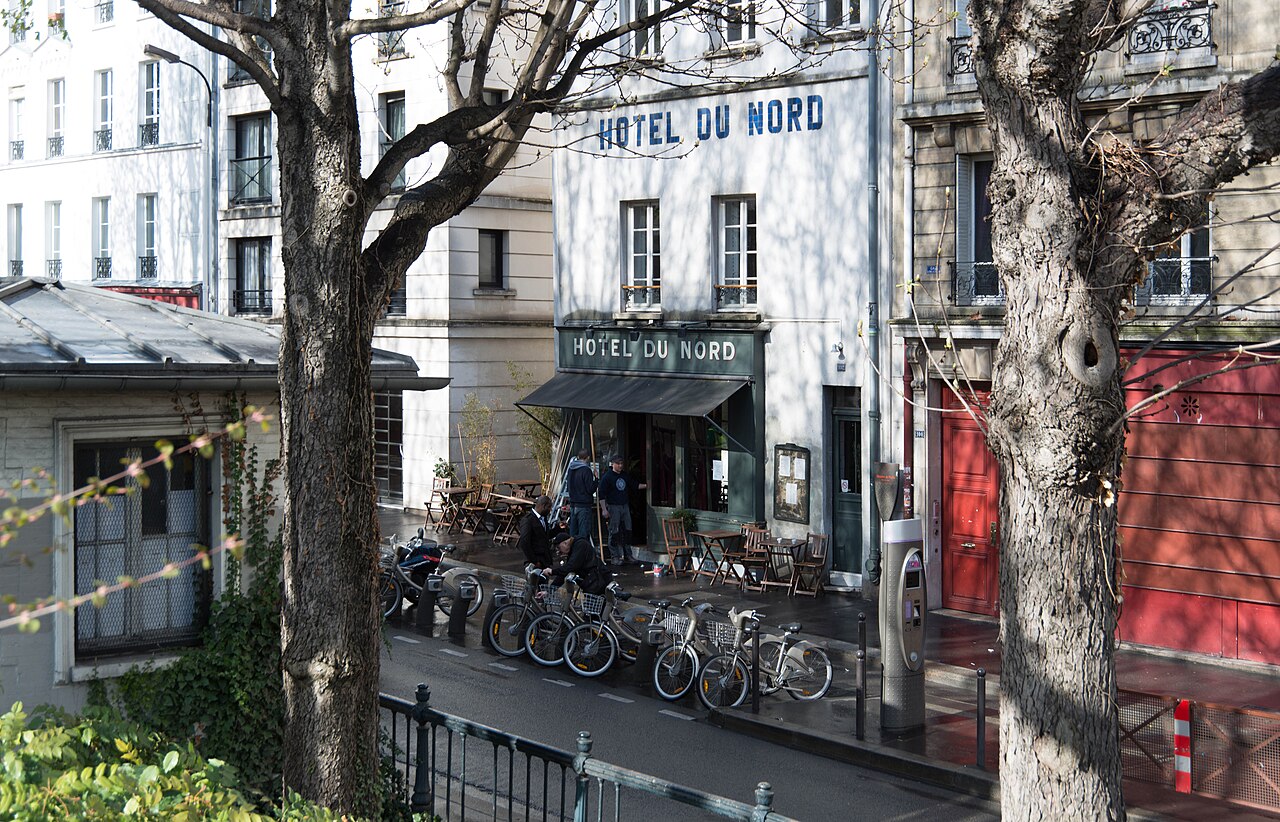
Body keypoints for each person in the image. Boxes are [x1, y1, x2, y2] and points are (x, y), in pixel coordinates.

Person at [598, 455, 646, 566]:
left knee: (628, 530)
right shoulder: (607, 477)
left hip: (624, 506)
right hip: (613, 506)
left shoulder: (624, 475)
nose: (620, 466)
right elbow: (601, 494)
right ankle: (615, 556)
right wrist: (604, 509)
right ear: (613, 464)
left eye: (621, 463)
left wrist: (648, 486)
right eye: (618, 463)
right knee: (614, 531)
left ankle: (628, 554)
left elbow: (634, 485)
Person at [544, 530, 611, 595]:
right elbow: (563, 574)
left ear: (565, 543)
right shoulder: (573, 550)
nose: (558, 551)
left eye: (559, 548)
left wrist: (552, 571)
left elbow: (571, 566)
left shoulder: (580, 545)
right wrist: (549, 591)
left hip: (598, 582)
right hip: (592, 583)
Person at [565, 449, 598, 542]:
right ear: (588, 458)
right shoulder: (586, 470)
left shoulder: (571, 469)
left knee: (573, 532)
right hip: (583, 505)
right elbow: (590, 489)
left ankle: (572, 552)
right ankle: (582, 554)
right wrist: (596, 479)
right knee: (583, 533)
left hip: (573, 504)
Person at [515, 495, 554, 568]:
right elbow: (524, 542)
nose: (550, 510)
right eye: (549, 507)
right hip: (535, 561)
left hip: (544, 560)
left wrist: (558, 529)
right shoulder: (528, 520)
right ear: (543, 506)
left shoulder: (543, 518)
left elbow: (545, 536)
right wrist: (534, 561)